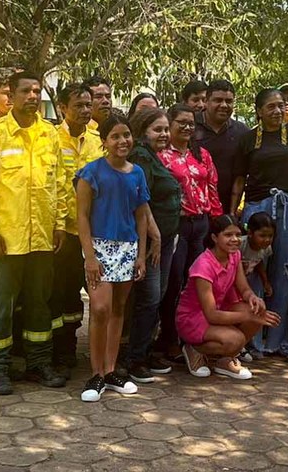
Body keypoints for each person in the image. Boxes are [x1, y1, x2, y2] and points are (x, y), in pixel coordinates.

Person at [0, 71, 68, 395]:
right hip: (6, 240)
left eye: (36, 90)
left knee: (40, 304)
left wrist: (58, 224)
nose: (31, 96)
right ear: (10, 96)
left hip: (41, 237)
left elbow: (59, 184)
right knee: (0, 307)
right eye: (25, 91)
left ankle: (39, 363)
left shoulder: (49, 135)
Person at [75, 115, 150, 402]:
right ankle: (95, 374)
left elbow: (141, 215)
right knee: (101, 308)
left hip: (128, 247)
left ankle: (110, 371)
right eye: (115, 136)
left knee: (119, 308)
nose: (122, 141)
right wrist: (90, 257)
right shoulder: (90, 173)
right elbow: (81, 217)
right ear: (104, 141)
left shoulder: (137, 173)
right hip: (99, 247)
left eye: (127, 135)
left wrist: (140, 255)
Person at [230, 88, 288, 358]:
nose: (276, 111)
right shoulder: (249, 140)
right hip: (256, 209)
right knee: (252, 268)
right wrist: (233, 213)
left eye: (281, 106)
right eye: (270, 106)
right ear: (258, 110)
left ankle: (277, 339)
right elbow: (239, 178)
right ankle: (252, 339)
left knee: (284, 270)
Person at [157, 104, 223, 359]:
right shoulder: (161, 155)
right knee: (173, 283)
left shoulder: (202, 153)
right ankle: (168, 338)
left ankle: (193, 338)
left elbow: (213, 188)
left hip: (202, 225)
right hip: (177, 226)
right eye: (180, 123)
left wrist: (219, 223)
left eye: (190, 123)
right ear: (169, 125)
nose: (186, 127)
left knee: (197, 285)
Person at [177, 215, 280, 380]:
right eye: (228, 235)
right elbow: (211, 314)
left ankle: (224, 360)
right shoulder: (203, 265)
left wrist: (253, 297)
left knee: (256, 311)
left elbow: (244, 288)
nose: (235, 239)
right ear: (214, 237)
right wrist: (247, 315)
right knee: (236, 338)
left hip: (219, 308)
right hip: (195, 317)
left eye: (238, 235)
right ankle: (195, 350)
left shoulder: (235, 255)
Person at [126, 108, 183, 383]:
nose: (163, 134)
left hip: (165, 240)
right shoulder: (140, 156)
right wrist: (155, 236)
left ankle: (144, 351)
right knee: (148, 299)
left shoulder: (153, 156)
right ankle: (134, 358)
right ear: (143, 131)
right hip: (150, 244)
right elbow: (141, 200)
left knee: (156, 297)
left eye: (164, 129)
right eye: (156, 130)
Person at [52, 84, 104, 370]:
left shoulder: (98, 141)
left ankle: (97, 351)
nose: (85, 110)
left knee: (97, 291)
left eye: (88, 105)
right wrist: (59, 223)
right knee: (64, 292)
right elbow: (54, 186)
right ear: (62, 108)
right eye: (79, 106)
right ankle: (64, 348)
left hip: (96, 231)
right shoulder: (50, 139)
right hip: (65, 232)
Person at [194, 79, 249, 213]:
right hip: (194, 211)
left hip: (227, 209)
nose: (224, 105)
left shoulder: (241, 132)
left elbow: (241, 176)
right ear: (206, 101)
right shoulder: (190, 126)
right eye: (218, 100)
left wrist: (233, 212)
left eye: (229, 101)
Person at [240, 212, 275, 305]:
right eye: (262, 236)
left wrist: (265, 283)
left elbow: (259, 262)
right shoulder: (240, 245)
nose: (267, 240)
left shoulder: (266, 248)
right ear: (250, 233)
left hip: (247, 281)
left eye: (270, 236)